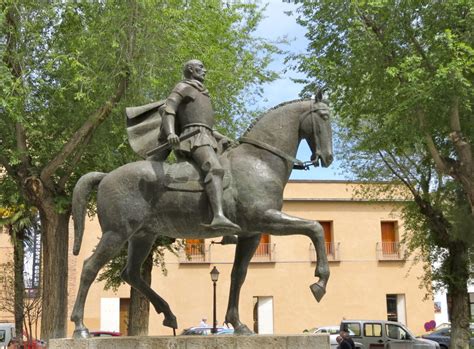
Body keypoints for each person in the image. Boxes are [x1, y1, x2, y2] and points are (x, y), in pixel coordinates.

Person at [161, 59, 240, 231]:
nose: (205, 70)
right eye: (201, 67)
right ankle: (218, 216)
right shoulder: (183, 87)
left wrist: (222, 137)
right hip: (193, 139)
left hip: (207, 137)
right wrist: (170, 133)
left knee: (231, 171)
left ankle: (229, 223)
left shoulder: (204, 93)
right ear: (191, 69)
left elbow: (207, 126)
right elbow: (169, 110)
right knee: (214, 169)